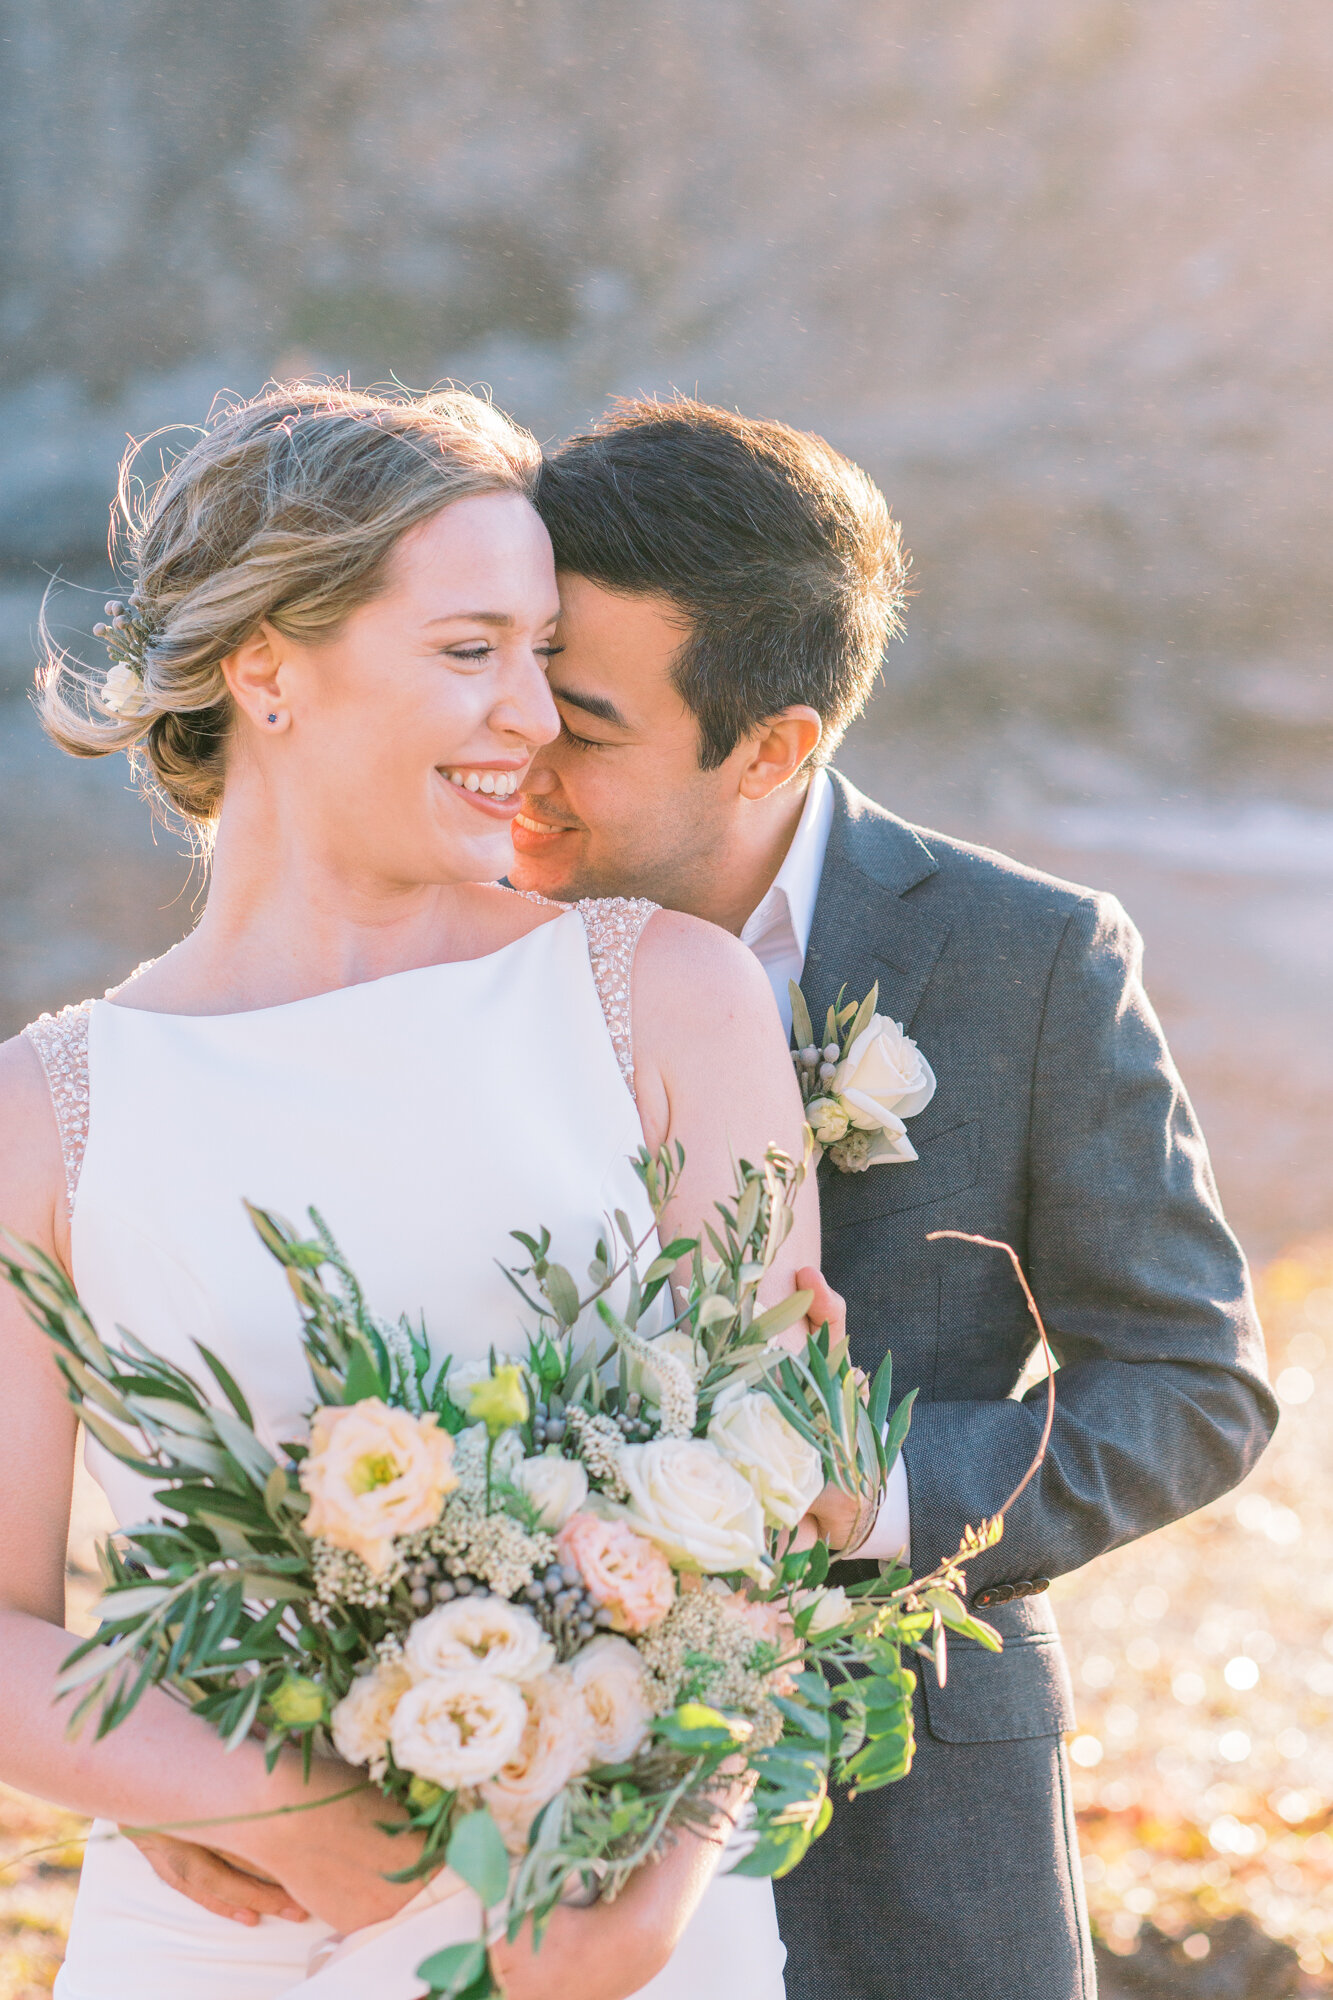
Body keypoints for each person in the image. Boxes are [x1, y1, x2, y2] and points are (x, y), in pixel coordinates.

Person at [0, 383, 825, 2000]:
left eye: (543, 653)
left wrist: (647, 1903)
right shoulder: (49, 1109)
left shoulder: (667, 998)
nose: (530, 713)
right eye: (470, 651)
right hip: (214, 1931)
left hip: (613, 1905)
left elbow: (776, 1517)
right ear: (265, 668)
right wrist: (288, 1808)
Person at [508, 396, 1279, 2000]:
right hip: (502, 1776)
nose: (516, 754)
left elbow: (1192, 1384)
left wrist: (869, 1497)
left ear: (775, 744)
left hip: (911, 1800)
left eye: (581, 720)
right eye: (502, 679)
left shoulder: (1027, 958)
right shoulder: (443, 935)